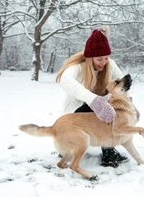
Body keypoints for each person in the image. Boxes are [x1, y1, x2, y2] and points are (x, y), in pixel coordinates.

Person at [55, 26, 128, 167]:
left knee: (111, 111)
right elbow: (65, 80)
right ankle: (68, 145)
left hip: (100, 112)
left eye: (106, 58)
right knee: (96, 108)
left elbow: (120, 86)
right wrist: (93, 100)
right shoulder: (78, 67)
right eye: (99, 59)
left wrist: (129, 104)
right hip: (75, 114)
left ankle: (108, 151)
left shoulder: (110, 66)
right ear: (90, 58)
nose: (103, 62)